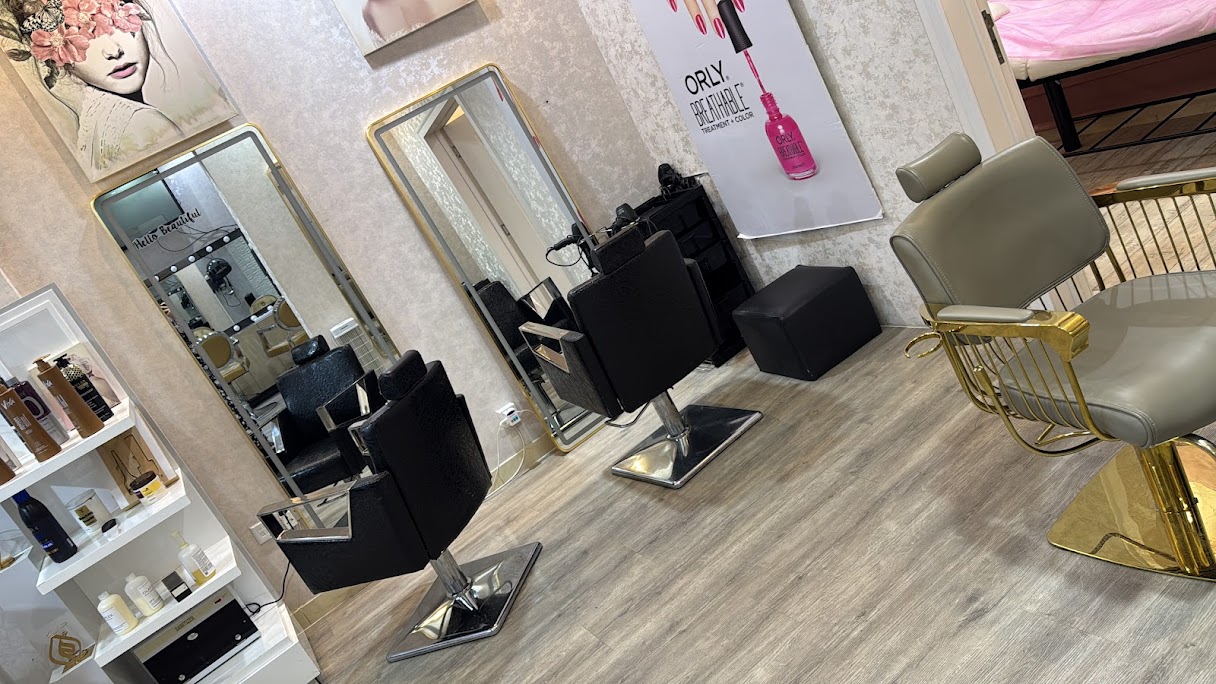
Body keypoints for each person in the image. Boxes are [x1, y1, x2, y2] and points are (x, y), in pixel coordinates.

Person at [1, 0, 180, 174]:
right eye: (82, 38)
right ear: (57, 57)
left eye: (113, 22)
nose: (113, 51)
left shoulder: (94, 124)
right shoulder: (142, 124)